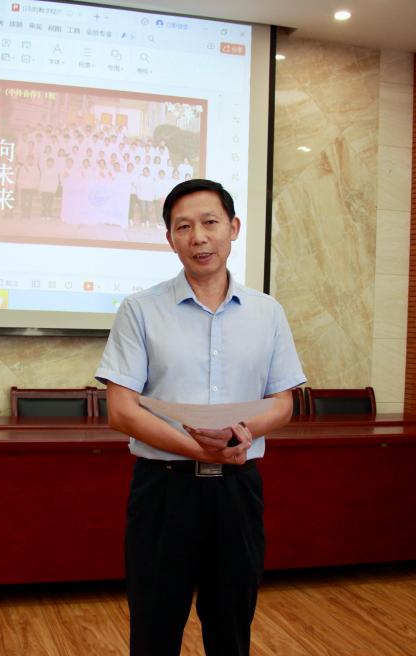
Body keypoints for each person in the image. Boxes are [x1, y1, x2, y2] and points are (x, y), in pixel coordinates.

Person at [95, 179, 306, 656]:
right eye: (183, 227)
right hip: (164, 490)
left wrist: (241, 435)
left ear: (233, 228)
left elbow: (283, 403)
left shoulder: (268, 313)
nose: (199, 237)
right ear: (170, 239)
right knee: (155, 628)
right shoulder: (140, 310)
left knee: (231, 627)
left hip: (237, 491)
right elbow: (122, 411)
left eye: (210, 222)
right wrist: (203, 450)